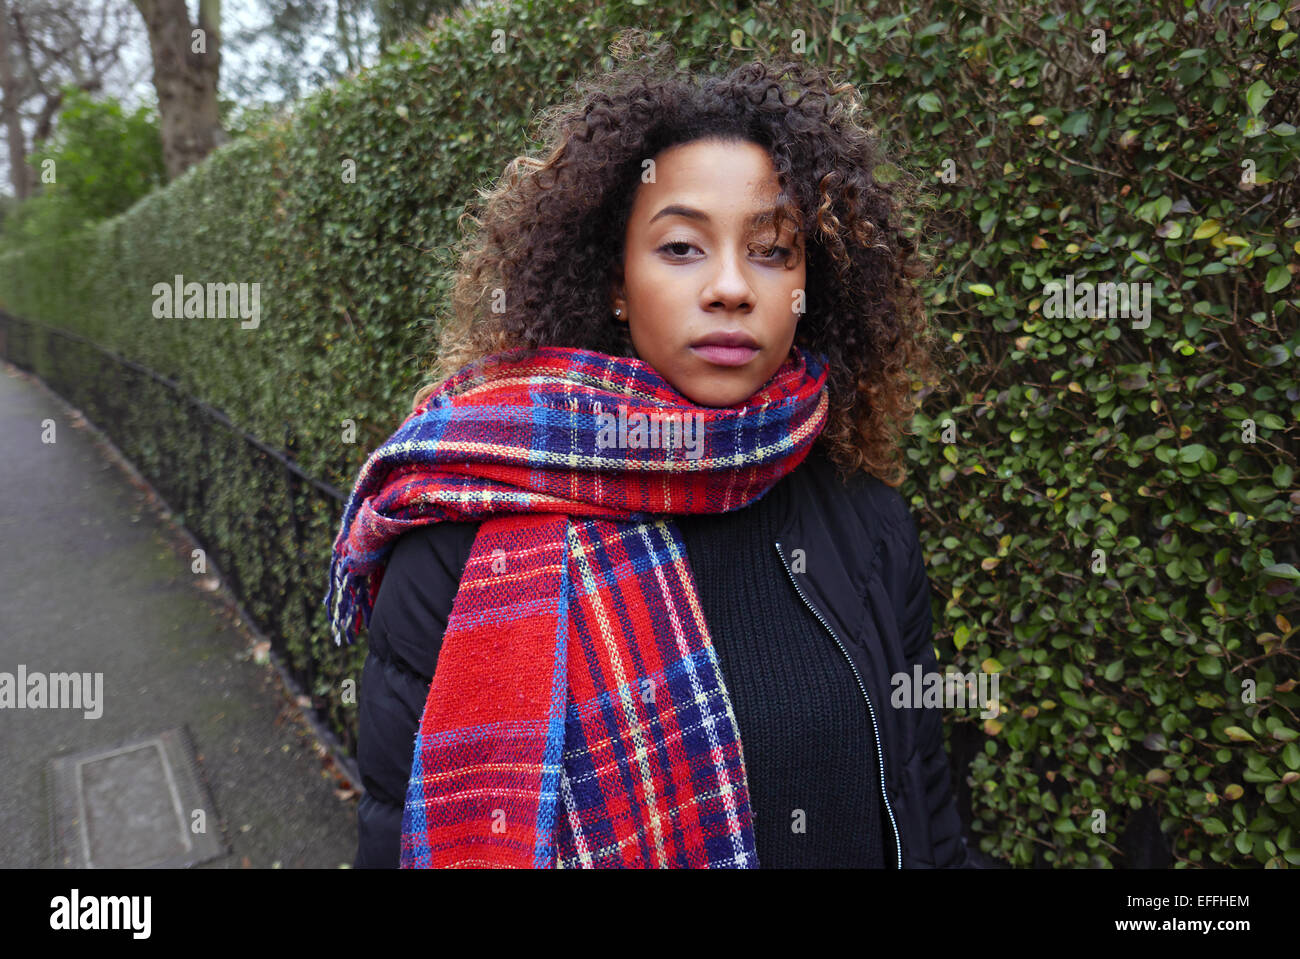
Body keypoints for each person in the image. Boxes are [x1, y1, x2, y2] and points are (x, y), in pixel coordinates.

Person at [326, 40, 977, 868]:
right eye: (681, 247)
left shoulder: (868, 523)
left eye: (773, 249)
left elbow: (926, 815)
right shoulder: (460, 538)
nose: (732, 286)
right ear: (615, 283)